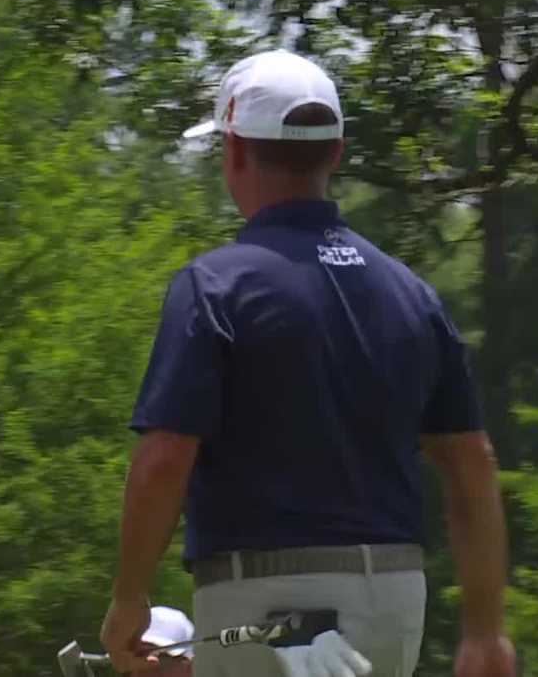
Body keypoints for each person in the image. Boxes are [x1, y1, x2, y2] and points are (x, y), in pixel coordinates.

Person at [100, 50, 516, 677]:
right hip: (396, 603)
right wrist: (485, 631)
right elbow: (471, 462)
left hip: (268, 602)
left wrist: (130, 597)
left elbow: (164, 460)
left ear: (234, 151)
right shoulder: (411, 292)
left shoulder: (215, 285)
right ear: (336, 153)